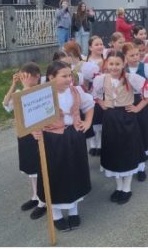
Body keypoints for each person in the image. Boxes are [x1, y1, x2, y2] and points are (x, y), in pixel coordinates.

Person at [32, 61, 93, 232]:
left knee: (74, 173)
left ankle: (73, 210)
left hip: (74, 136)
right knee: (55, 175)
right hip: (52, 140)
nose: (68, 79)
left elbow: (89, 106)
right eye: (64, 76)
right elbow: (30, 119)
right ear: (51, 77)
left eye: (70, 75)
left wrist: (87, 122)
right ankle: (56, 214)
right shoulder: (42, 95)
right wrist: (34, 132)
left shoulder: (76, 91)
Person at [92, 52, 148, 205]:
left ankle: (127, 188)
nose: (114, 67)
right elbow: (95, 94)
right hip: (110, 118)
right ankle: (118, 187)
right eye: (111, 64)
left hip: (127, 117)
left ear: (123, 63)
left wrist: (138, 107)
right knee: (114, 151)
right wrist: (102, 104)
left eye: (117, 64)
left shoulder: (132, 78)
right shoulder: (101, 79)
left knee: (127, 151)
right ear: (106, 64)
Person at [2, 63, 47, 220]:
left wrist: (27, 87)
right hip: (25, 135)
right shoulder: (19, 93)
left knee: (39, 168)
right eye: (21, 76)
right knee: (31, 169)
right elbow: (6, 104)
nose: (23, 79)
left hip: (38, 135)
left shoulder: (41, 92)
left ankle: (43, 201)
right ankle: (35, 196)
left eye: (26, 76)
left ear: (37, 76)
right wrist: (13, 85)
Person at [124, 41, 148, 182]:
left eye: (137, 54)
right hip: (126, 103)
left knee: (143, 132)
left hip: (142, 102)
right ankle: (132, 163)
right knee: (131, 134)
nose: (135, 57)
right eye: (131, 55)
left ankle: (141, 168)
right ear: (125, 56)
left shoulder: (146, 68)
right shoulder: (122, 69)